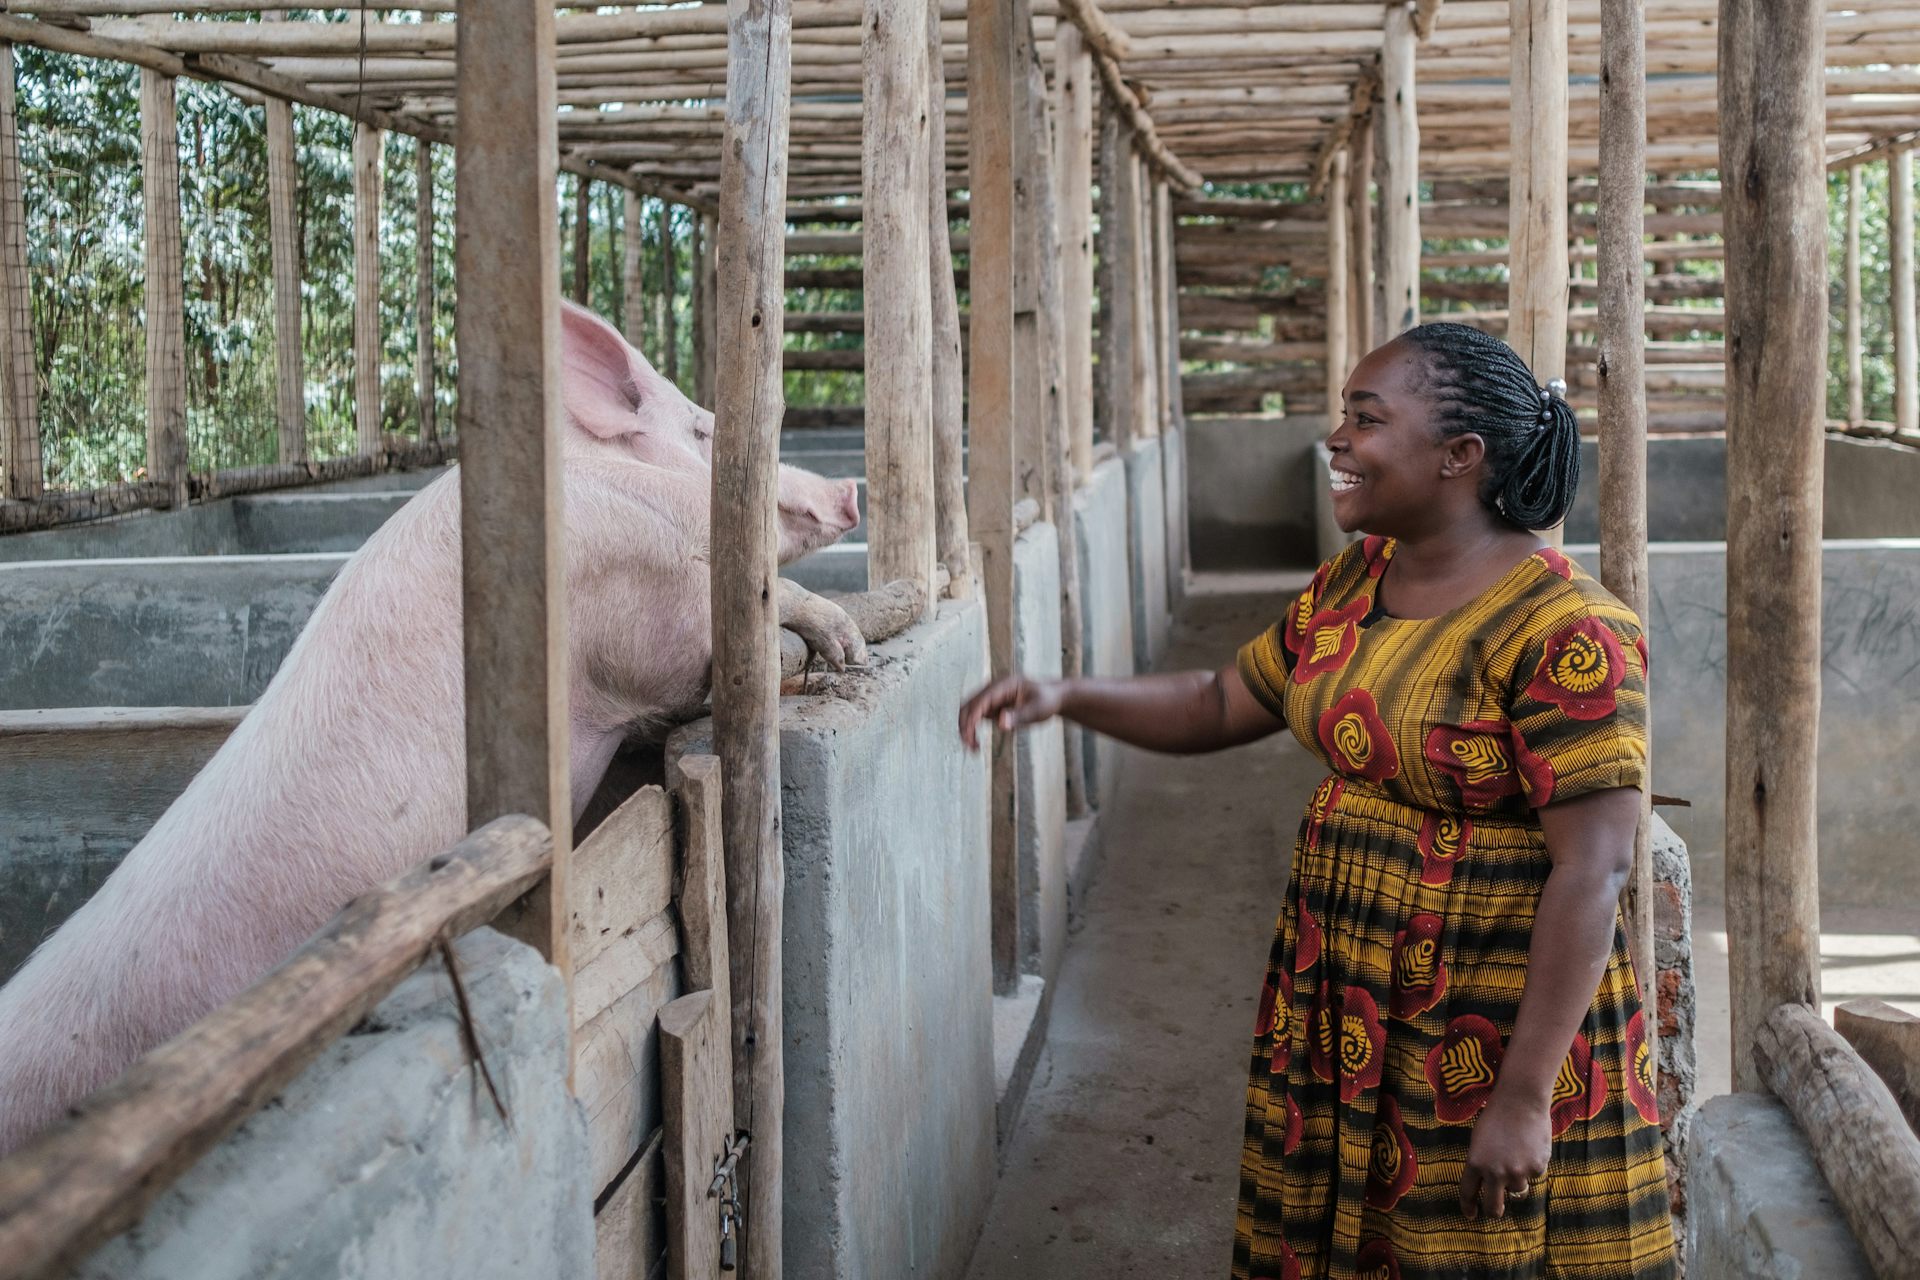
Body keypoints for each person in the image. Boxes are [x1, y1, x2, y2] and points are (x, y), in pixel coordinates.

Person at [957, 322, 1677, 1279]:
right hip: (1346, 989)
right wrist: (1065, 695)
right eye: (1342, 415)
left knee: (1471, 1245)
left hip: (1487, 1016)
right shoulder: (1354, 582)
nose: (1336, 440)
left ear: (1460, 456)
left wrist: (1523, 1093)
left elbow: (1597, 868)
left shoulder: (1567, 631)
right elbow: (1220, 700)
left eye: (1365, 419)